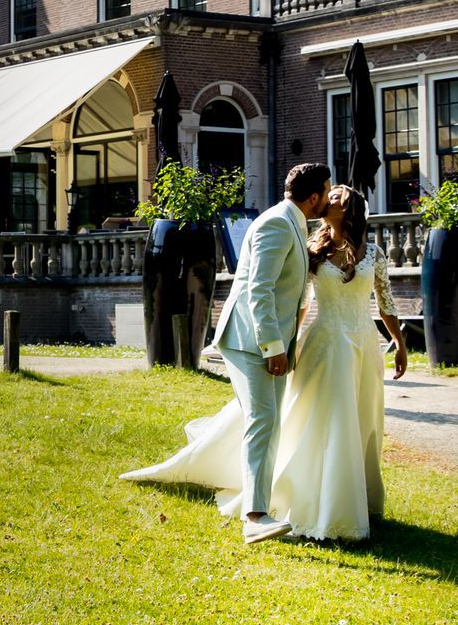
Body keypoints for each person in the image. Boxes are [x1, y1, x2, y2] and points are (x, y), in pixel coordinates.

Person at [123, 181, 407, 542]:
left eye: (337, 198)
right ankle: (315, 503)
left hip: (364, 345)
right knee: (326, 421)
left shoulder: (375, 254)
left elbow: (387, 303)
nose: (329, 201)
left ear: (351, 210)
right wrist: (285, 346)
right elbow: (298, 302)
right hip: (325, 344)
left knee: (362, 421)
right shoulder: (313, 250)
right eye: (328, 194)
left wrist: (398, 343)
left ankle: (361, 499)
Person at [123, 163, 328, 544]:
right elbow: (258, 290)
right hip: (250, 341)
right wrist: (272, 347)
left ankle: (258, 504)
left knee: (268, 424)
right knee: (262, 422)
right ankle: (255, 517)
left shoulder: (295, 222)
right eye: (326, 192)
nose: (329, 199)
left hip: (273, 343)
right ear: (313, 196)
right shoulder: (276, 223)